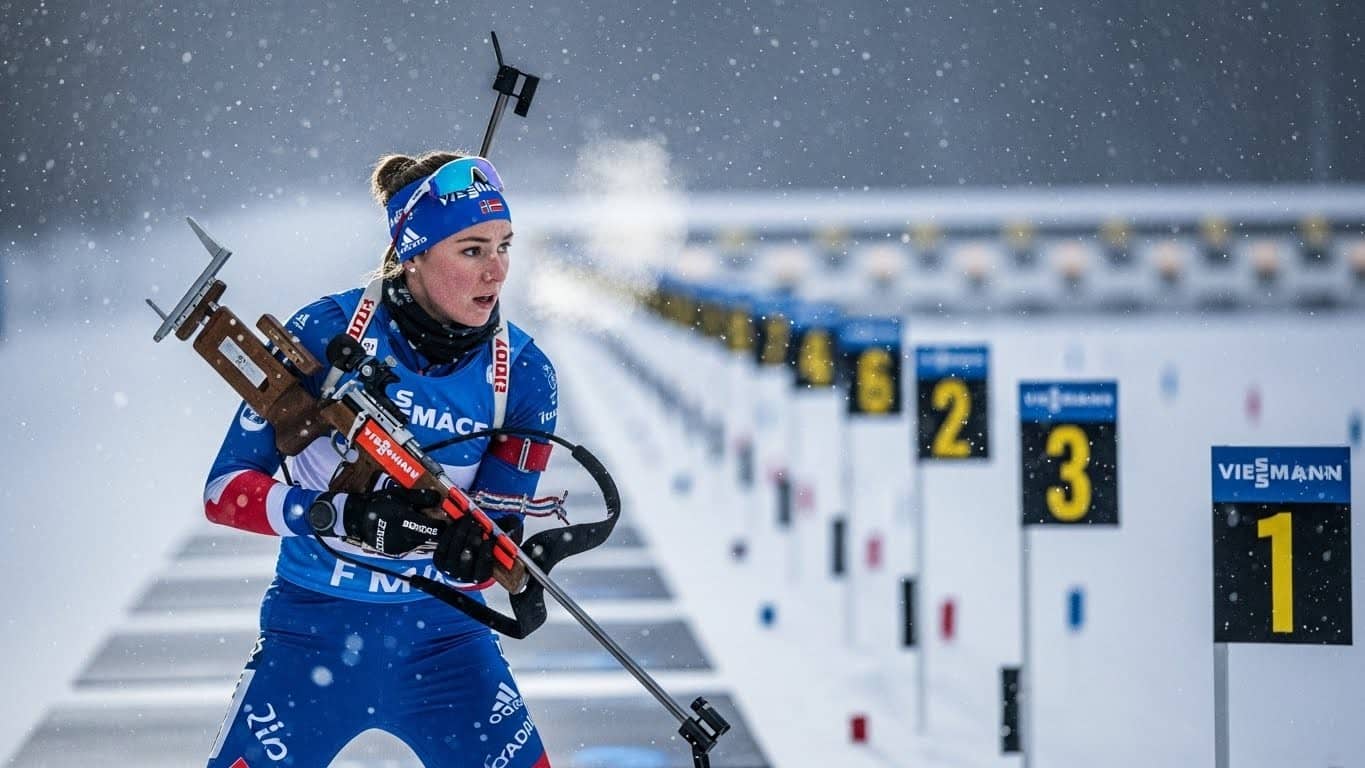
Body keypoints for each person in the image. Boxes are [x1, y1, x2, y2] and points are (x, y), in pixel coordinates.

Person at [201, 151, 557, 768]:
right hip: (311, 634)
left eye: (504, 246)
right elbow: (224, 491)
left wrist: (470, 549)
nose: (495, 272)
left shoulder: (523, 375)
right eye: (471, 250)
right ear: (413, 254)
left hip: (446, 647)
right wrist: (334, 516)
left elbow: (492, 559)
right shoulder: (324, 330)